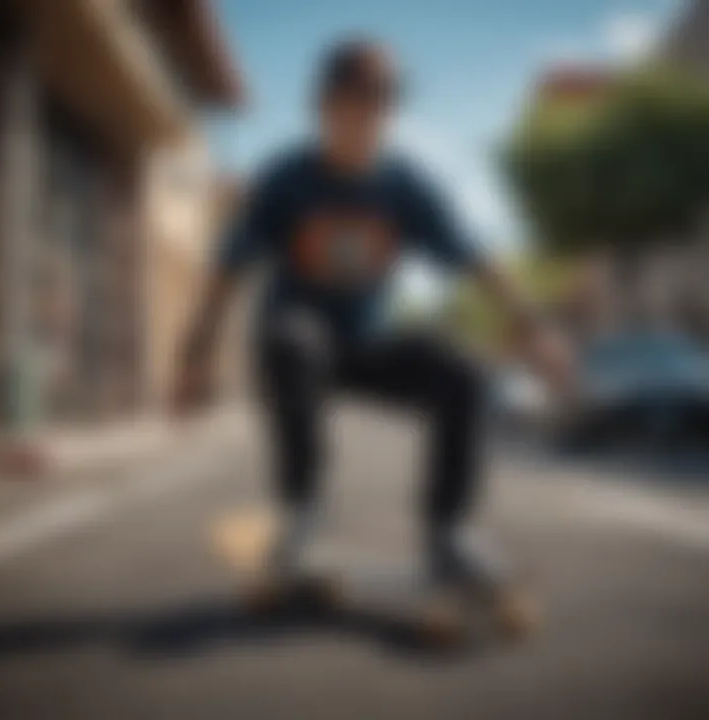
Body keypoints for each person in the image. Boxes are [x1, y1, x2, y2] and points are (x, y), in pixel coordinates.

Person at [174, 39, 573, 596]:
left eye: (384, 101)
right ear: (323, 107)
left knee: (462, 372)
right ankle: (303, 517)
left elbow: (477, 260)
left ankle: (447, 534)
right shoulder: (284, 179)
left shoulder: (405, 184)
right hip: (300, 345)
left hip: (368, 346)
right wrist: (194, 357)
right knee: (293, 339)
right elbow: (226, 272)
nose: (370, 115)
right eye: (356, 100)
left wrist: (535, 329)